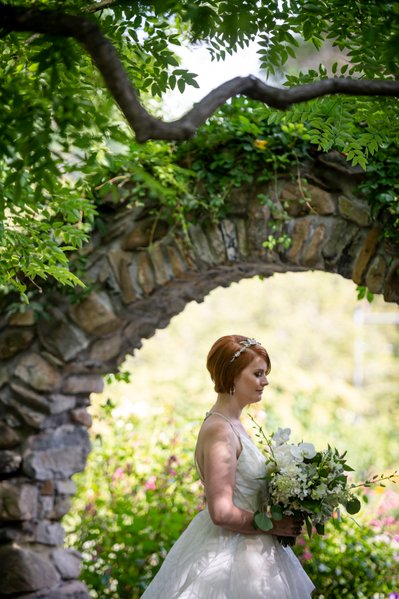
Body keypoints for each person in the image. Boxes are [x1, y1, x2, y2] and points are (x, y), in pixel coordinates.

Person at [141, 335, 315, 598]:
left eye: (265, 374)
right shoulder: (220, 430)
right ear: (233, 375)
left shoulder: (233, 424)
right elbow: (221, 512)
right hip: (231, 555)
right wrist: (272, 525)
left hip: (253, 552)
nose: (265, 381)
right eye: (257, 374)